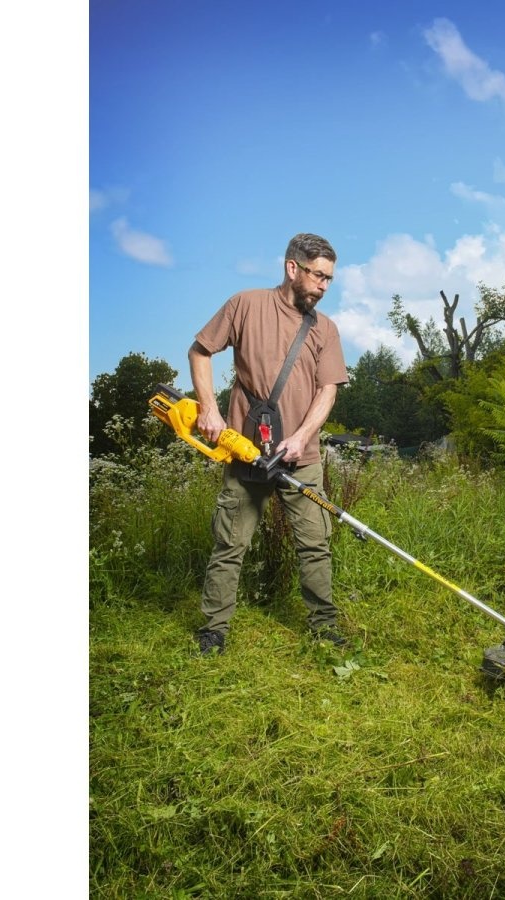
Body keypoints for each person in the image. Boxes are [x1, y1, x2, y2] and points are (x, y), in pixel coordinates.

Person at [187, 233, 349, 656]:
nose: (323, 286)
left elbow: (328, 390)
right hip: (246, 451)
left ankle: (324, 628)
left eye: (330, 280)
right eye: (318, 276)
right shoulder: (246, 305)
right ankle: (214, 630)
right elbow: (200, 351)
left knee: (315, 544)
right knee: (230, 544)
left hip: (302, 458)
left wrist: (301, 437)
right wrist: (209, 408)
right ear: (292, 268)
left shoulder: (325, 329)